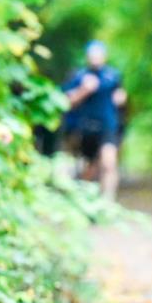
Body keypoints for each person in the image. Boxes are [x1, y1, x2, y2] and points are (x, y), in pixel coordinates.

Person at [62, 40, 127, 200]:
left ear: (104, 57)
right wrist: (84, 90)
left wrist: (121, 97)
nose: (95, 58)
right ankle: (87, 201)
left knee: (109, 162)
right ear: (87, 57)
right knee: (89, 169)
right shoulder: (79, 76)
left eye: (98, 55)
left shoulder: (113, 75)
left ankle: (108, 201)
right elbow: (66, 102)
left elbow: (120, 93)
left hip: (108, 126)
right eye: (92, 55)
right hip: (86, 128)